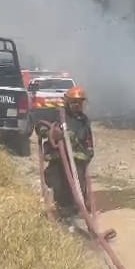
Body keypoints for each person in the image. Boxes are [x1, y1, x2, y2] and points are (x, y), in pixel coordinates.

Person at [39, 85, 94, 218]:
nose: (77, 106)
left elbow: (87, 140)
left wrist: (88, 153)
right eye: (74, 102)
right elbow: (40, 125)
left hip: (77, 159)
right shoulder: (58, 114)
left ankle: (76, 209)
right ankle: (60, 209)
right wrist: (49, 132)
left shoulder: (83, 120)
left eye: (80, 103)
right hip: (57, 157)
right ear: (67, 102)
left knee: (78, 184)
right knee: (57, 182)